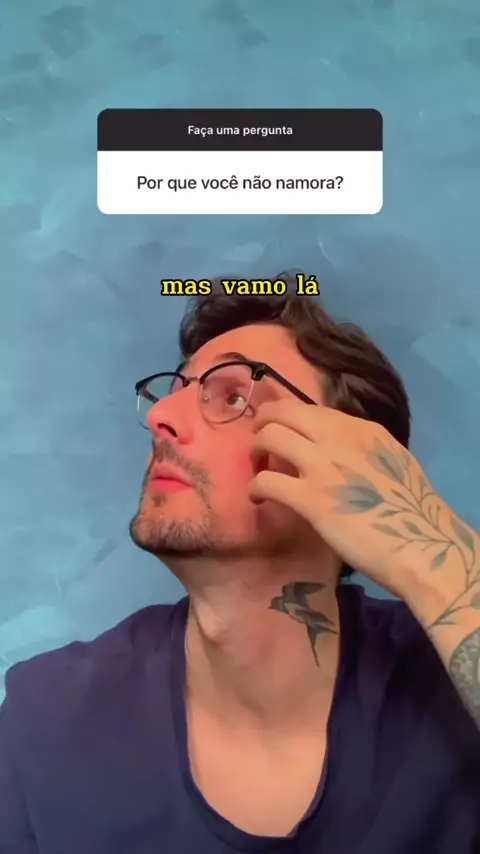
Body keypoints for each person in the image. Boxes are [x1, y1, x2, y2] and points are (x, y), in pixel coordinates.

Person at [1, 274, 479, 854]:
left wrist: (432, 547)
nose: (161, 417)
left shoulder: (448, 689)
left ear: (356, 462)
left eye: (231, 396)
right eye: (175, 391)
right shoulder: (47, 720)